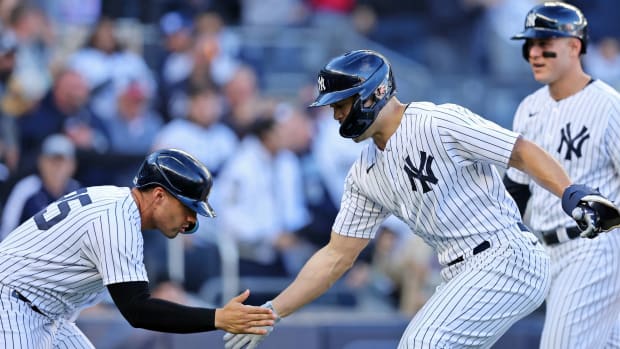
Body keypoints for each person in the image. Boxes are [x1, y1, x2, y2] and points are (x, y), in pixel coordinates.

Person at [221, 49, 619, 349]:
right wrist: (274, 310)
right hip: (457, 273)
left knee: (421, 344)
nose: (336, 116)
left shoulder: (436, 121)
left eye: (341, 104)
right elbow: (335, 256)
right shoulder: (363, 172)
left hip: (506, 255)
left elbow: (518, 150)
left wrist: (569, 191)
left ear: (374, 93)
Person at [0, 148, 276, 348]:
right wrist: (218, 317)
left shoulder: (117, 204)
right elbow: (137, 310)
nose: (191, 220)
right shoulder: (117, 218)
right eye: (188, 207)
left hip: (43, 312)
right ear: (158, 195)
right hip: (13, 306)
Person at [505, 3, 620, 348]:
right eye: (529, 45)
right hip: (546, 252)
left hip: (595, 247)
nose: (534, 53)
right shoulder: (528, 108)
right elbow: (516, 190)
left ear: (574, 45)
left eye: (544, 43)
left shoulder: (608, 106)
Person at [0, 133, 80, 240]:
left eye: (62, 162)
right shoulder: (27, 188)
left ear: (72, 165)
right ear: (41, 161)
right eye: (52, 161)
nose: (57, 168)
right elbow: (7, 230)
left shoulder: (77, 191)